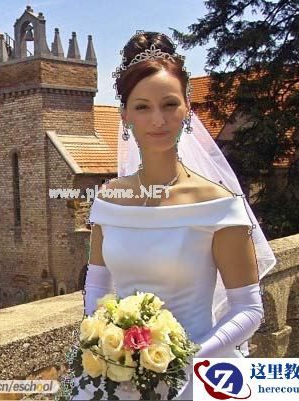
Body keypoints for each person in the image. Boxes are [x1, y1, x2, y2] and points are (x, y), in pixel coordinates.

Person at [61, 31, 276, 401]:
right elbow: (97, 287)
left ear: (187, 109)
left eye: (169, 104)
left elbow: (247, 309)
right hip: (115, 378)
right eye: (143, 107)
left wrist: (185, 360)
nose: (157, 120)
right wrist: (107, 346)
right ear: (125, 115)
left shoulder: (220, 205)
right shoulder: (108, 201)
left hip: (197, 374)